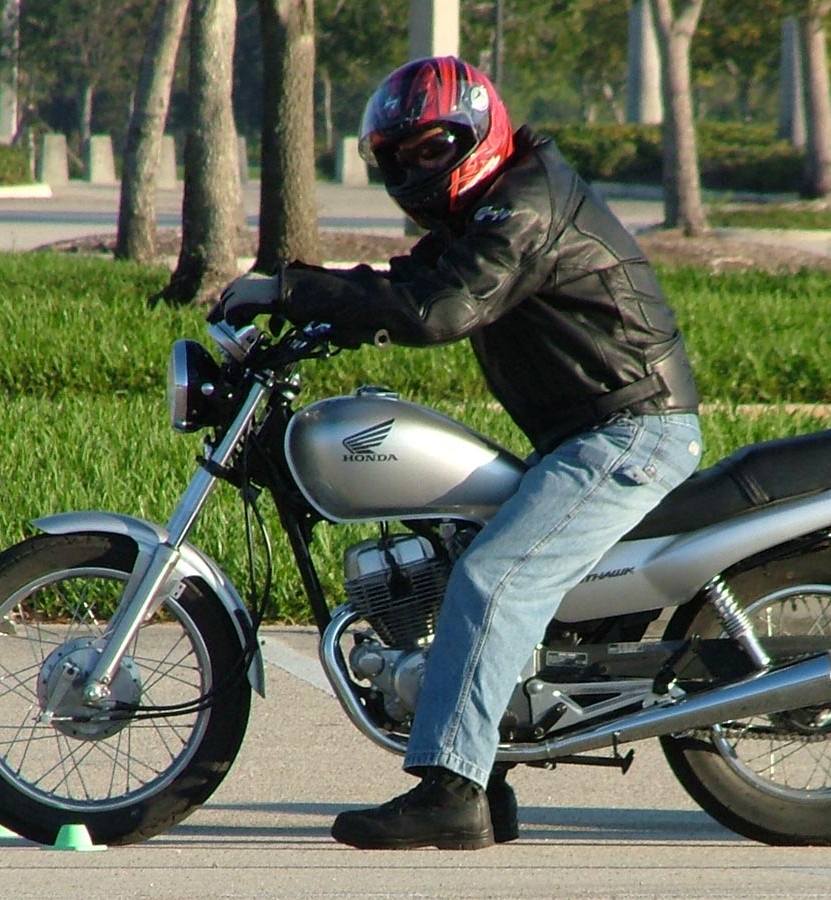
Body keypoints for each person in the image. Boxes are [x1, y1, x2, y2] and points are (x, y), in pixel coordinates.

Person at [216, 56, 702, 850]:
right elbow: (410, 282)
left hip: (628, 431)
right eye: (401, 156)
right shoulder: (488, 209)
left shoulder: (524, 205)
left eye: (433, 147)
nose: (417, 167)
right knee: (461, 557)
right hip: (587, 433)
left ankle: (452, 792)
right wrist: (313, 302)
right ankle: (490, 776)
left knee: (492, 579)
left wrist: (293, 291)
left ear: (478, 131)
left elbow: (442, 306)